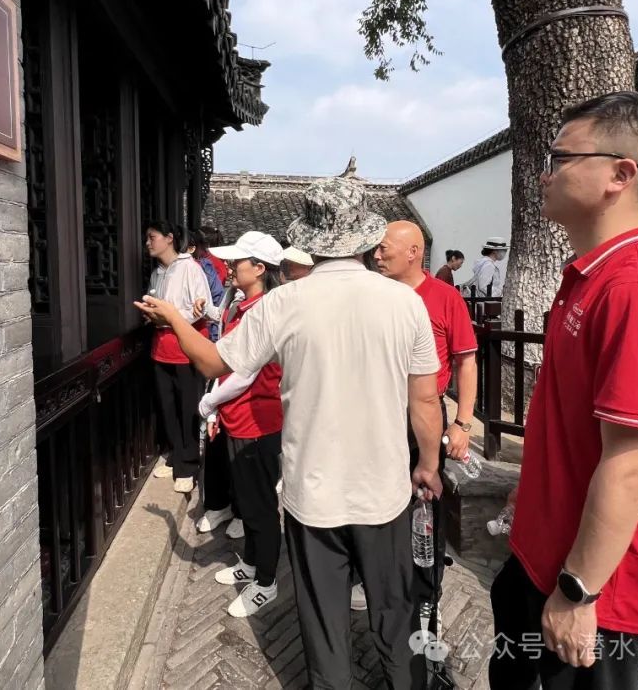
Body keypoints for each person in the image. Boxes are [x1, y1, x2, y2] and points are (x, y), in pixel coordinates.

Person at [136, 176, 444, 689]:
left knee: (323, 619)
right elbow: (425, 400)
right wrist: (428, 464)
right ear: (364, 238)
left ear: (313, 240)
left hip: (312, 492)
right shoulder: (404, 302)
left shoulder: (283, 303)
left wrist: (172, 316)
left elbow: (213, 362)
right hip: (383, 490)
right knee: (396, 610)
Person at [489, 92, 638, 690]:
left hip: (597, 584)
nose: (544, 173)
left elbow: (631, 465)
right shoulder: (591, 275)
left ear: (620, 175)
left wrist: (578, 591)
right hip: (544, 551)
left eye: (560, 158)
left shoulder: (633, 291)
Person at [373, 221, 479, 665]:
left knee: (424, 513)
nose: (377, 255)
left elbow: (466, 361)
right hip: (377, 418)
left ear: (414, 252)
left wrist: (463, 423)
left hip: (425, 418)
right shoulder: (374, 296)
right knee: (380, 506)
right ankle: (378, 580)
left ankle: (425, 599)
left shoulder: (444, 297)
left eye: (385, 249)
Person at [190, 231, 287, 617]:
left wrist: (209, 401)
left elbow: (243, 374)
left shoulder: (264, 311)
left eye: (237, 262)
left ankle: (267, 581)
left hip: (257, 422)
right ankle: (251, 563)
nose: (229, 267)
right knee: (247, 501)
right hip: (239, 416)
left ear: (260, 268)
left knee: (260, 508)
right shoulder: (245, 305)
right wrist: (217, 407)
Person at [145, 219, 213, 494]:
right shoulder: (156, 273)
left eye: (152, 237)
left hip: (186, 348)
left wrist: (170, 317)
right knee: (168, 406)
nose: (148, 243)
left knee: (188, 408)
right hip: (161, 347)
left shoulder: (190, 268)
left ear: (169, 238)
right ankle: (176, 455)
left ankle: (189, 465)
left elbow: (201, 308)